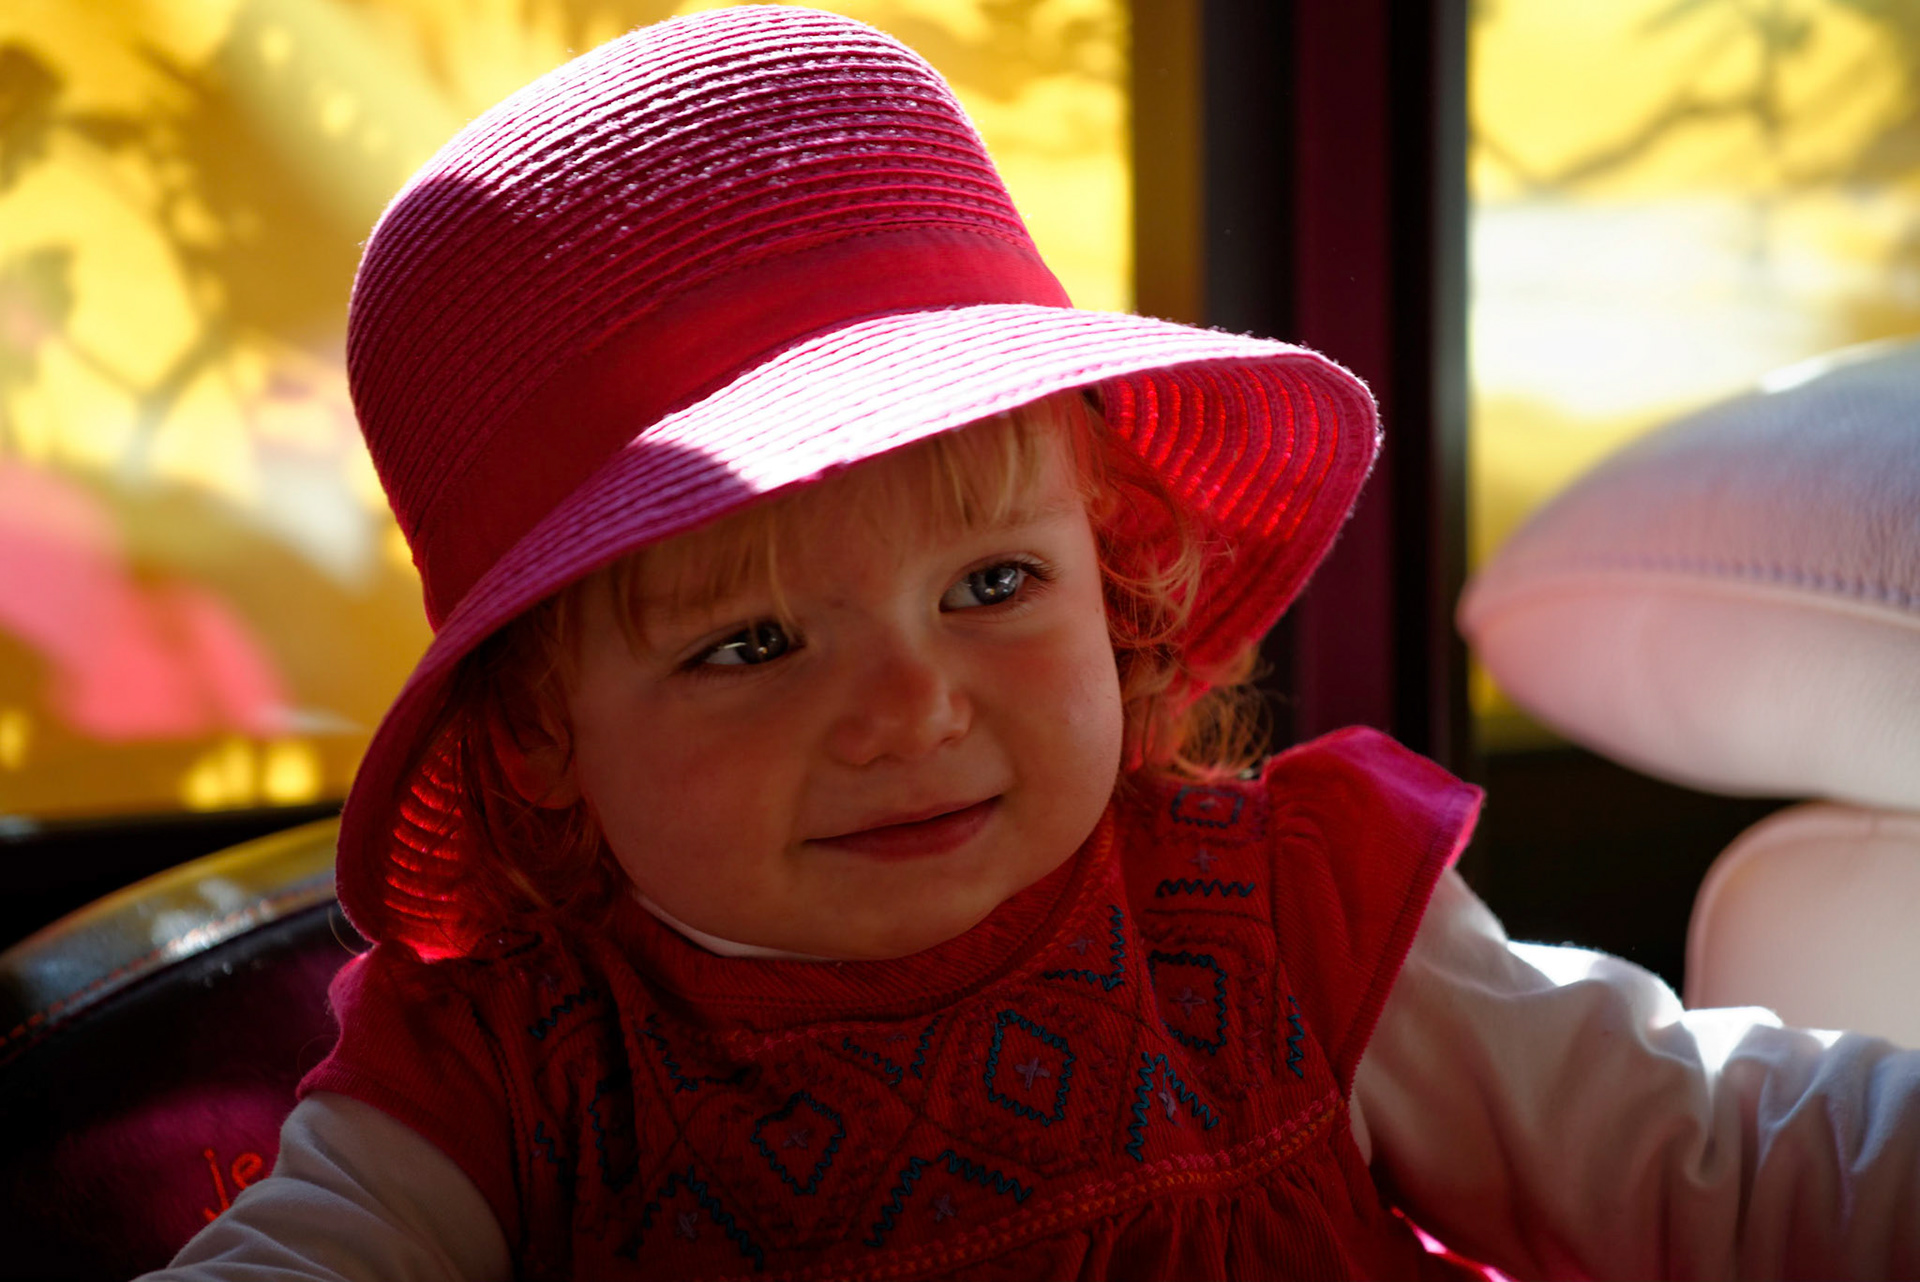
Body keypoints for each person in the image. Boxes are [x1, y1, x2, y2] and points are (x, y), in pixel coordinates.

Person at [149, 7, 1920, 1279]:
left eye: (993, 585)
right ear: (542, 727)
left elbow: (1709, 1152)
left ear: (1113, 569)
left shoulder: (1282, 926)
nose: (913, 708)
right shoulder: (515, 1075)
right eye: (752, 643)